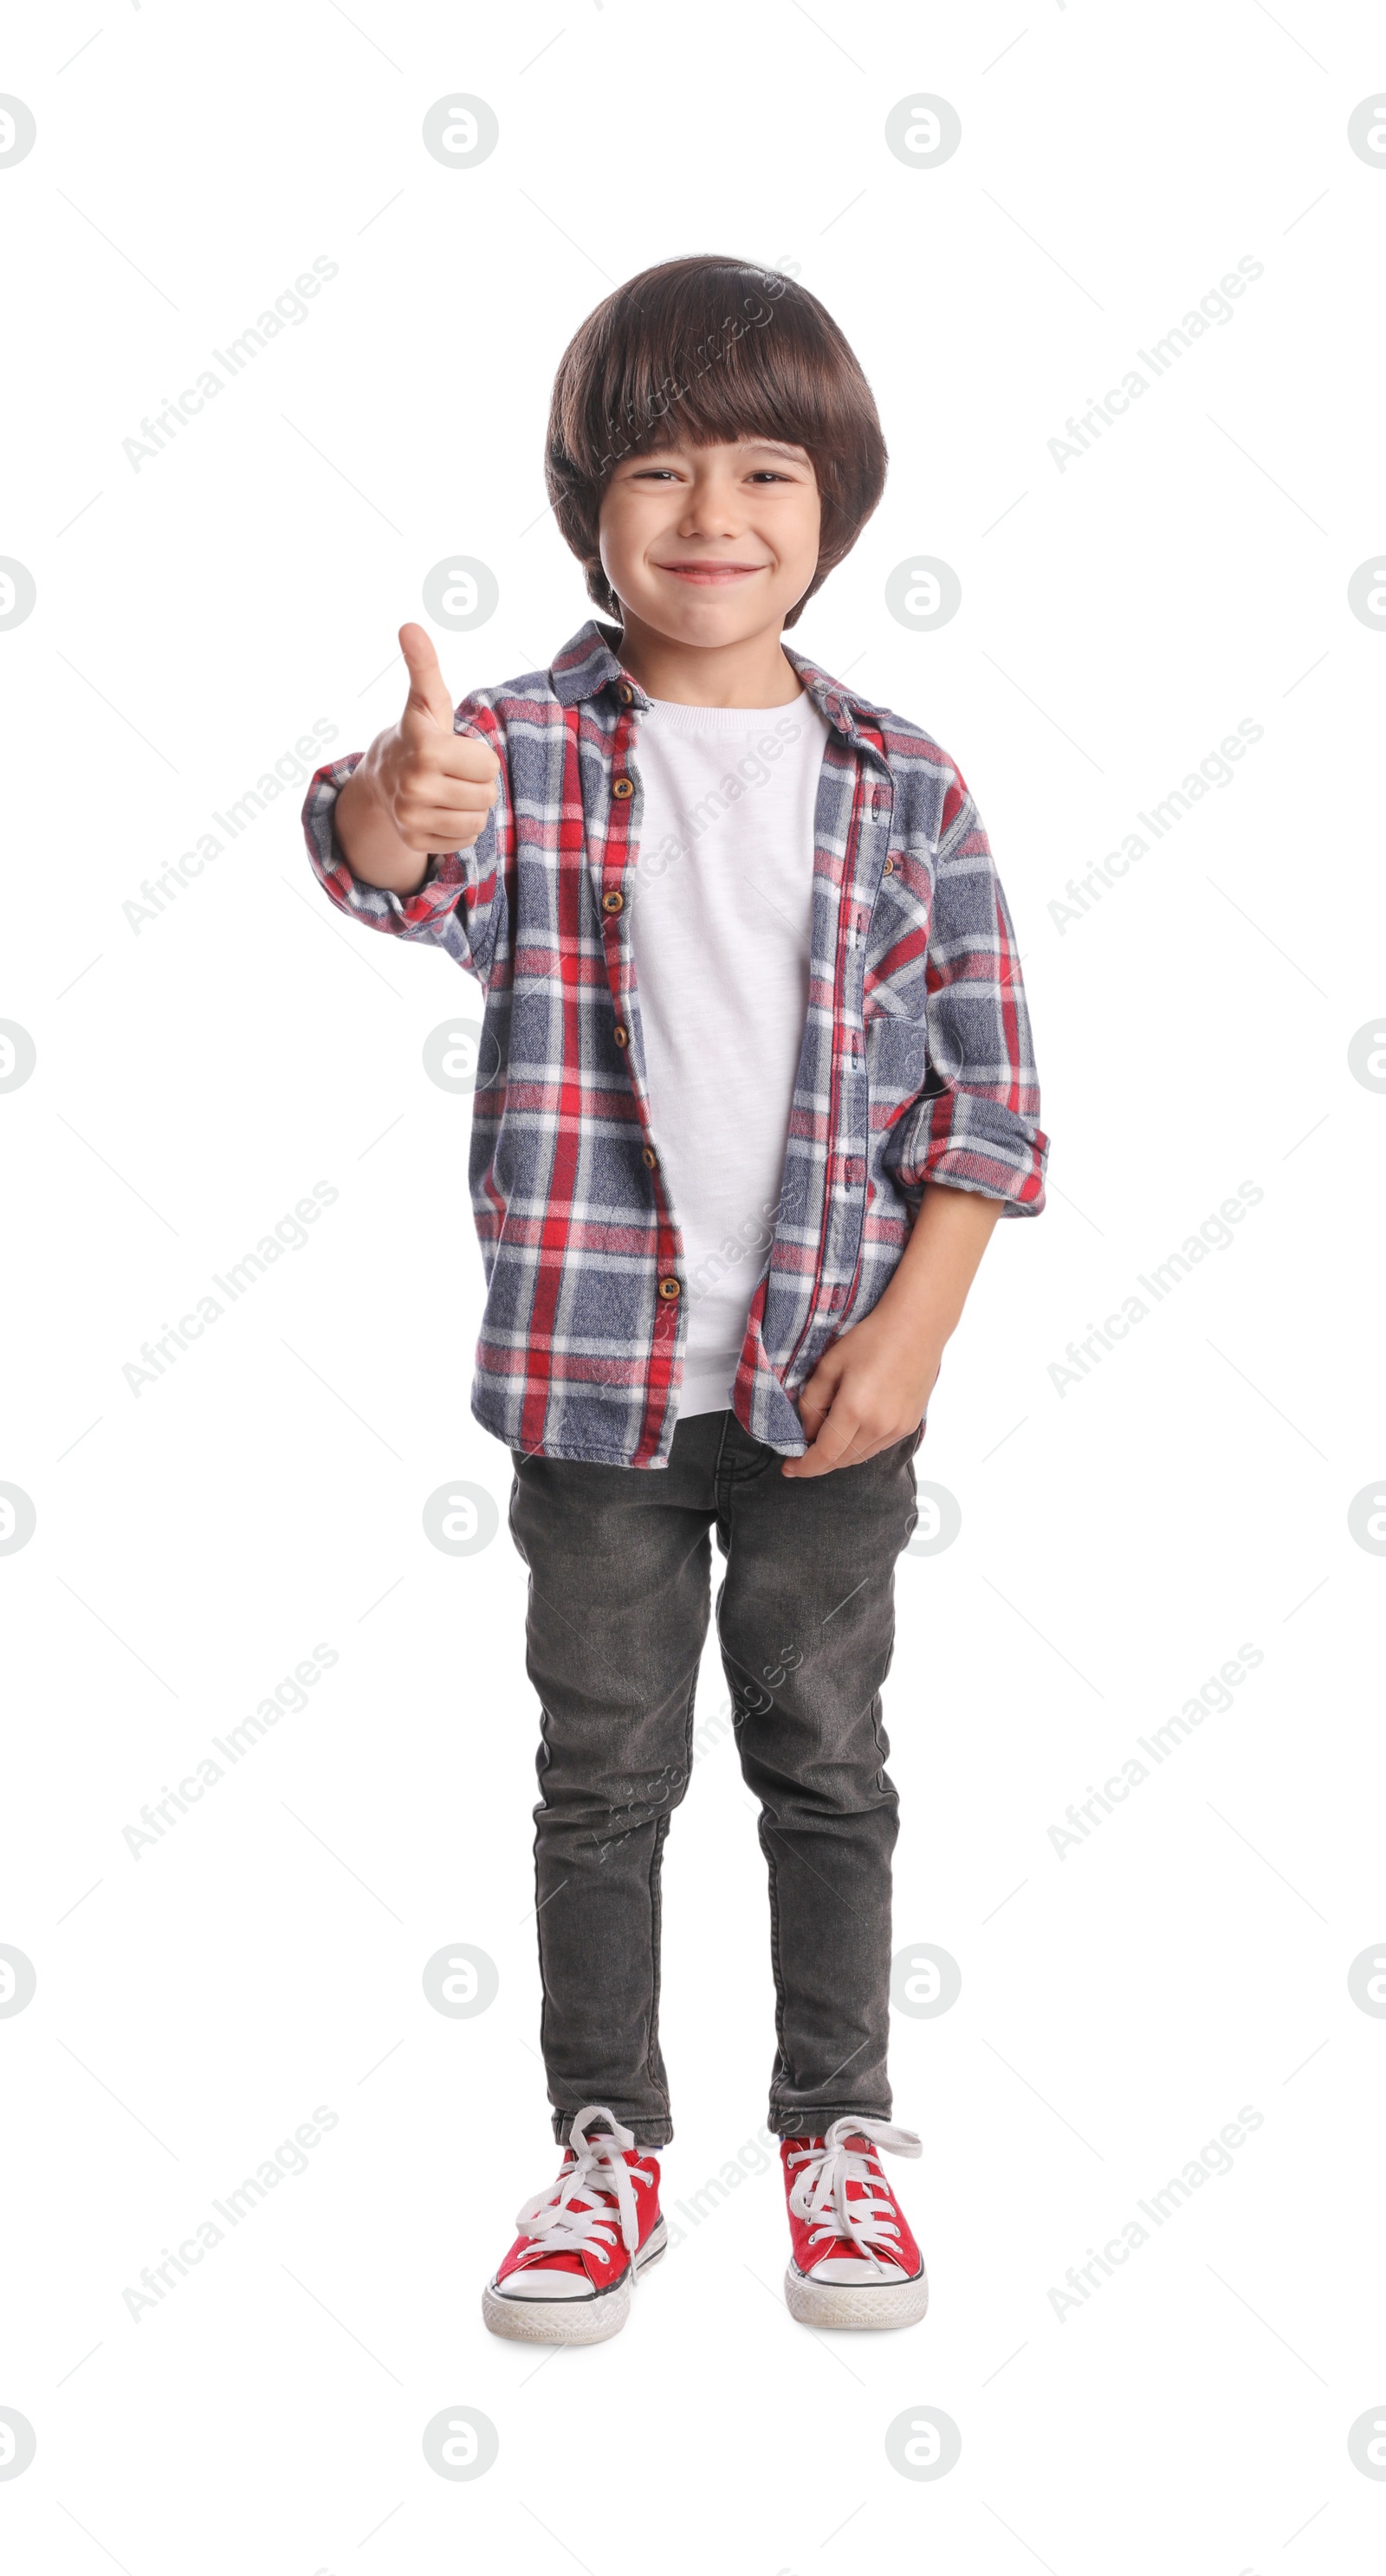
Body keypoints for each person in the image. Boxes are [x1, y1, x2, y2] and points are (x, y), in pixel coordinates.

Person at [301, 254, 1048, 2345]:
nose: (709, 511)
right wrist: (391, 795)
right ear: (583, 503)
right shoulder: (522, 753)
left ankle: (834, 2131)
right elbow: (385, 858)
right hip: (594, 1389)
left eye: (761, 466)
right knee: (603, 1771)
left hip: (834, 1384)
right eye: (654, 466)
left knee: (822, 1759)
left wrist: (909, 1339)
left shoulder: (905, 783)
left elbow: (989, 1102)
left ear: (835, 503)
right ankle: (606, 2138)